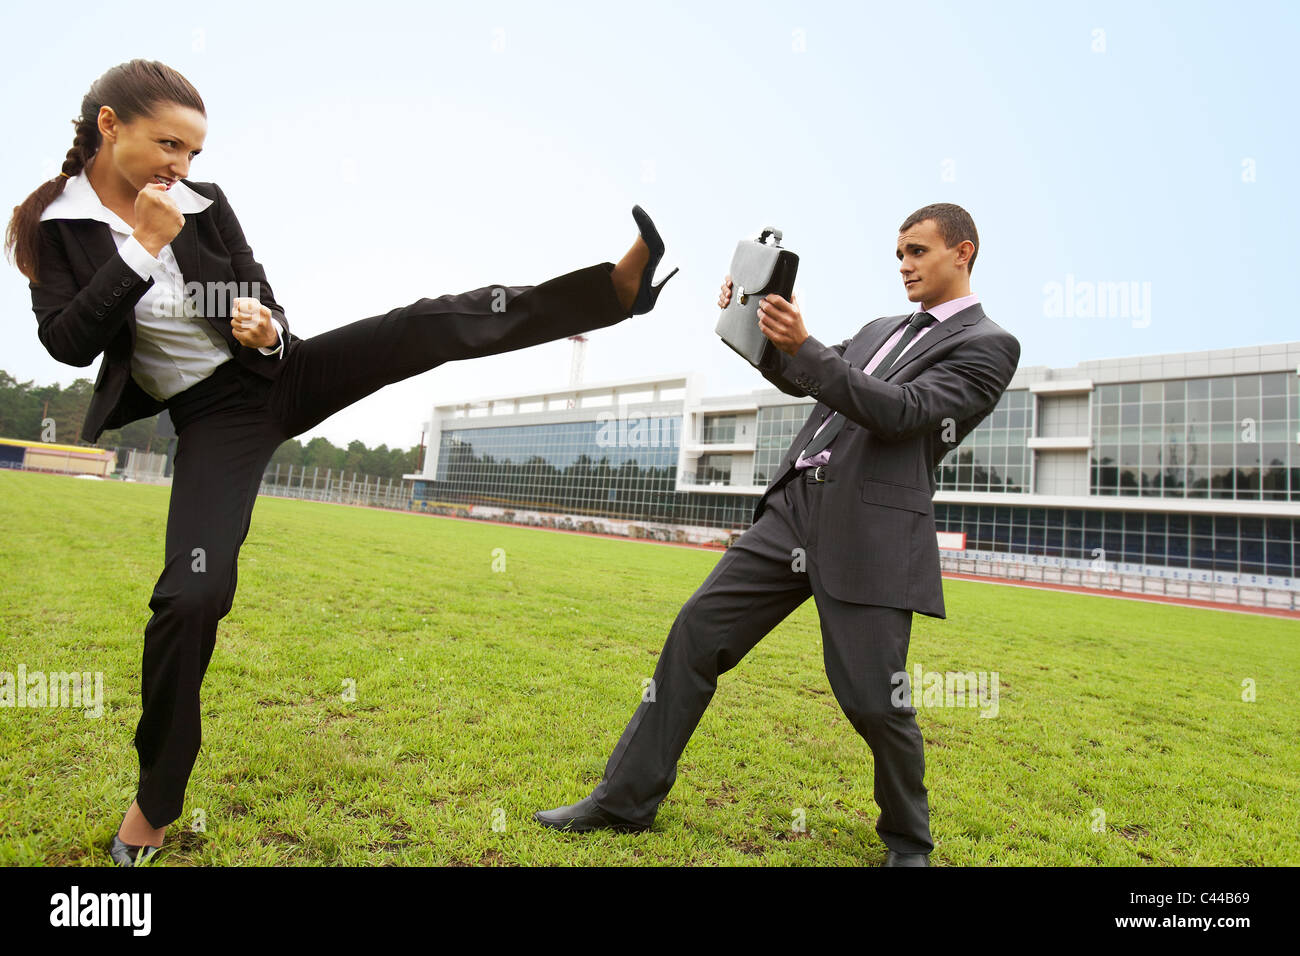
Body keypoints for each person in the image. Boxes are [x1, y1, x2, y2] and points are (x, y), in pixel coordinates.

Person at [5, 58, 677, 866]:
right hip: (216, 419)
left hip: (281, 373)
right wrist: (143, 246)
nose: (181, 168)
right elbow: (67, 340)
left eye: (193, 153)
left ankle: (611, 292)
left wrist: (267, 328)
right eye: (168, 144)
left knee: (421, 325)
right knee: (192, 596)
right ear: (110, 126)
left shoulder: (203, 204)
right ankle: (156, 799)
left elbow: (259, 293)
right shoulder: (55, 226)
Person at [535, 203, 1020, 866]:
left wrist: (807, 345)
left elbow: (903, 413)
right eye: (899, 253)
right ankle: (624, 801)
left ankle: (910, 846)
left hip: (869, 529)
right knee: (696, 635)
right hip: (795, 508)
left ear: (962, 253)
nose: (903, 264)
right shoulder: (880, 328)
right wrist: (757, 325)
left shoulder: (989, 345)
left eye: (917, 251)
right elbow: (807, 379)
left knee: (876, 704)